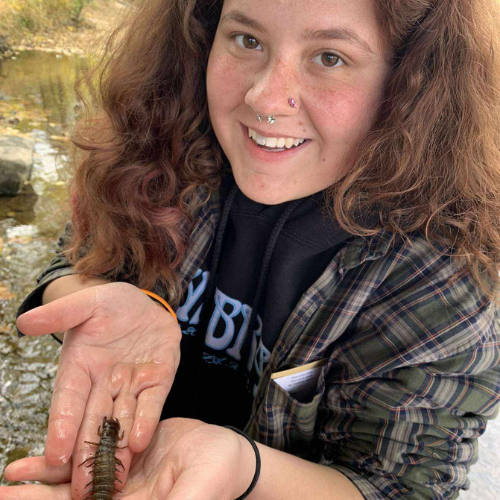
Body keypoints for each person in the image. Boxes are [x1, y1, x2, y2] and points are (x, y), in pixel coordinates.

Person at [1, 0, 500, 498]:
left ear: (413, 80)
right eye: (248, 40)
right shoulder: (159, 144)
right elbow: (79, 254)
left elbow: (404, 488)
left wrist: (247, 472)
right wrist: (89, 297)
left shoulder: (444, 276)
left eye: (329, 57)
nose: (264, 97)